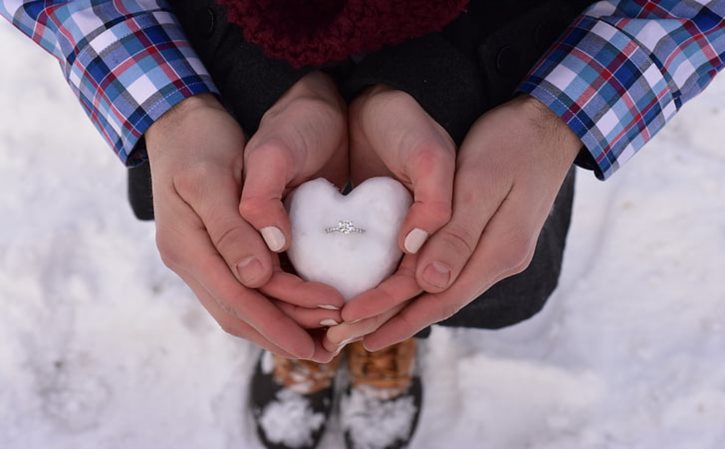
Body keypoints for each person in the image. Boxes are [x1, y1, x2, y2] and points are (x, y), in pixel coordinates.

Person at [2, 1, 722, 448]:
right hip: (229, 62)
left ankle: (386, 333)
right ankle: (310, 330)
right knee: (260, 240)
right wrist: (175, 105)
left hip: (489, 74)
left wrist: (551, 116)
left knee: (446, 246)